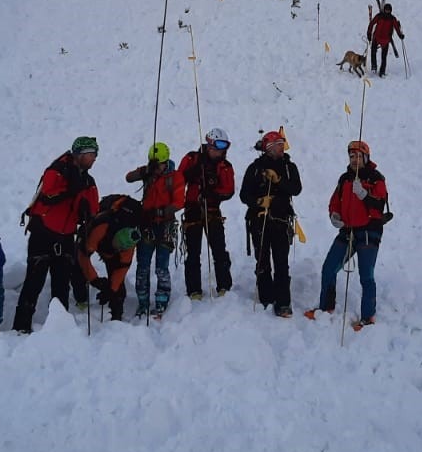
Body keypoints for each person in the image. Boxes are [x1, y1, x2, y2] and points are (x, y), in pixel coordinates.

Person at [11, 136, 100, 334]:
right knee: (34, 281)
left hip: (66, 235)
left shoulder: (87, 180)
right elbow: (49, 195)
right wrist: (72, 191)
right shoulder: (57, 170)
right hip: (44, 232)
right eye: (92, 155)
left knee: (61, 283)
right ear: (81, 154)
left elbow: (93, 206)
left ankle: (59, 327)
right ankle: (21, 326)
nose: (95, 159)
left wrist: (88, 212)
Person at [306, 140, 390, 328]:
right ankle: (326, 307)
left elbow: (379, 205)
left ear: (366, 158)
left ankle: (368, 317)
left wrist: (364, 195)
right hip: (347, 231)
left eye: (359, 156)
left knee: (366, 275)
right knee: (329, 268)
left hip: (369, 232)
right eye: (352, 156)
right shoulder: (344, 179)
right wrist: (334, 214)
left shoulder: (376, 178)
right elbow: (335, 201)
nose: (355, 159)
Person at [238, 129, 302, 318]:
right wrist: (258, 202)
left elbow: (296, 189)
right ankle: (266, 295)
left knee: (282, 262)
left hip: (281, 219)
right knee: (263, 260)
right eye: (276, 146)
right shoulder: (255, 168)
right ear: (268, 149)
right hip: (259, 220)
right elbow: (244, 194)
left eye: (282, 145)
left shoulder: (289, 167)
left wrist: (279, 180)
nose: (281, 149)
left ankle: (283, 302)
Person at [126, 142, 185, 318]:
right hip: (147, 225)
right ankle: (142, 301)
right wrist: (144, 171)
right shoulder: (148, 172)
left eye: (158, 164)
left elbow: (179, 201)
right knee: (142, 266)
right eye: (153, 163)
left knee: (161, 266)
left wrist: (162, 211)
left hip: (165, 225)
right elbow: (128, 178)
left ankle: (161, 300)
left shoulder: (175, 177)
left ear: (165, 162)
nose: (157, 167)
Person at [178, 127, 235, 298]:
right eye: (217, 149)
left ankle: (224, 286)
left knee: (219, 250)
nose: (220, 153)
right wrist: (191, 173)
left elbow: (229, 190)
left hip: (212, 210)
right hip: (192, 210)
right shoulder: (192, 158)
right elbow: (178, 180)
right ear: (209, 146)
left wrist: (213, 193)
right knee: (193, 252)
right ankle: (194, 290)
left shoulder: (225, 166)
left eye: (222, 150)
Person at [78, 195, 143, 322]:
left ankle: (117, 316)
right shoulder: (101, 228)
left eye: (121, 248)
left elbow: (120, 272)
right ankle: (80, 298)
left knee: (118, 288)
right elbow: (83, 256)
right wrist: (95, 280)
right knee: (78, 267)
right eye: (118, 246)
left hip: (110, 251)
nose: (119, 248)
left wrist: (110, 290)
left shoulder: (128, 247)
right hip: (95, 240)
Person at [365, 3, 405, 78]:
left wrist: (400, 35)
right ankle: (374, 66)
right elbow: (372, 23)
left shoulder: (392, 19)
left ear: (390, 11)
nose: (387, 11)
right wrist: (369, 33)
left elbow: (396, 27)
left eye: (388, 10)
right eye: (386, 10)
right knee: (373, 51)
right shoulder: (379, 16)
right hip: (376, 37)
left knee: (384, 56)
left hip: (385, 40)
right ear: (384, 9)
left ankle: (382, 72)